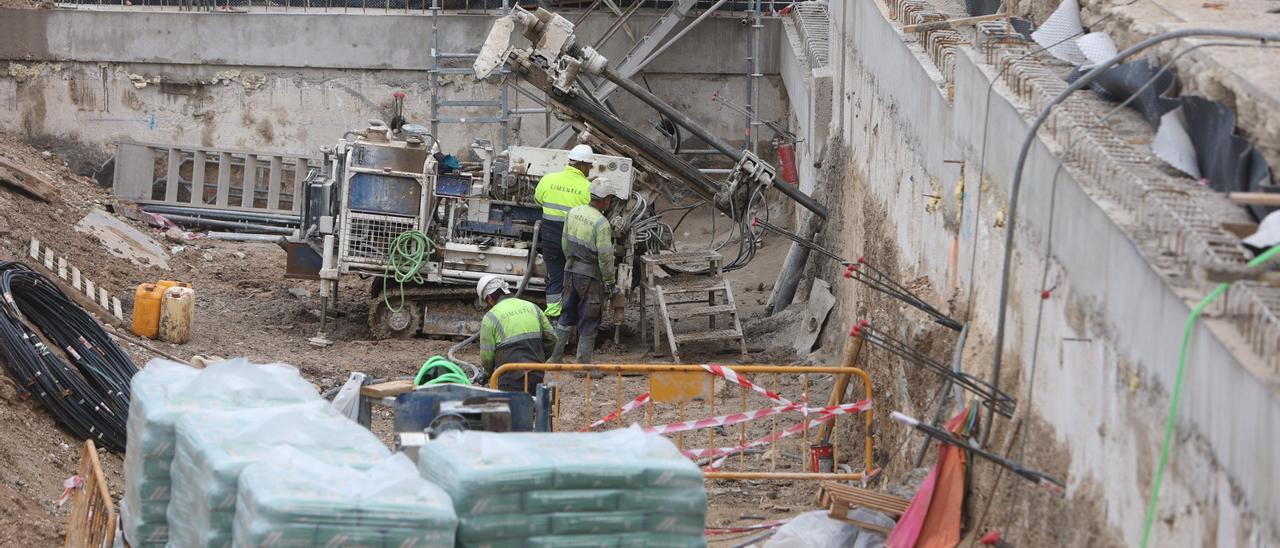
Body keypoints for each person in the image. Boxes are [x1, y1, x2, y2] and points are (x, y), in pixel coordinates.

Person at [549, 178, 616, 365]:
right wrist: (610, 282)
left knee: (566, 314)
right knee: (589, 318)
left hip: (570, 270)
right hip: (590, 276)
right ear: (605, 199)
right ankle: (583, 366)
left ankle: (554, 358)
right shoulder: (601, 223)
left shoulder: (573, 212)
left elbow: (564, 243)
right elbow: (605, 257)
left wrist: (571, 262)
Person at [533, 144, 594, 321]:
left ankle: (553, 318)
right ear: (582, 165)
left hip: (550, 238)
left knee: (555, 277)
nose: (590, 169)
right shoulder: (587, 188)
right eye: (590, 165)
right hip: (574, 241)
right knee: (576, 279)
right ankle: (570, 320)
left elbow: (538, 200)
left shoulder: (548, 179)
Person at [476, 274, 557, 393]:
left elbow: (487, 357)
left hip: (509, 377)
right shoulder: (532, 307)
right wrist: (538, 359)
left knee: (513, 409)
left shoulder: (490, 317)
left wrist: (487, 373)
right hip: (536, 372)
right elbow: (552, 338)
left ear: (489, 298)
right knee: (535, 407)